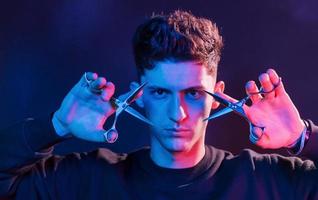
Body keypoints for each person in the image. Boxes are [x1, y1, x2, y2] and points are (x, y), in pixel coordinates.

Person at [0, 10, 317, 200]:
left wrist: (302, 137)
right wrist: (54, 126)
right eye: (162, 93)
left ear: (218, 94)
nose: (177, 114)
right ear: (138, 94)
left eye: (193, 93)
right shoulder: (89, 180)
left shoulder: (264, 181)